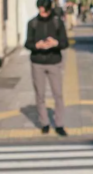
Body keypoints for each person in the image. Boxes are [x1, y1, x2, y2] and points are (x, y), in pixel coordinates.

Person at [25, 0, 70, 136]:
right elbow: (27, 43)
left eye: (44, 9)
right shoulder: (32, 23)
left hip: (54, 62)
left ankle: (59, 124)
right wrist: (36, 46)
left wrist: (55, 43)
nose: (41, 12)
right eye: (39, 9)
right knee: (40, 95)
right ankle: (44, 123)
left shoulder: (57, 22)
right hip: (37, 62)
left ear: (49, 9)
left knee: (58, 94)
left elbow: (65, 43)